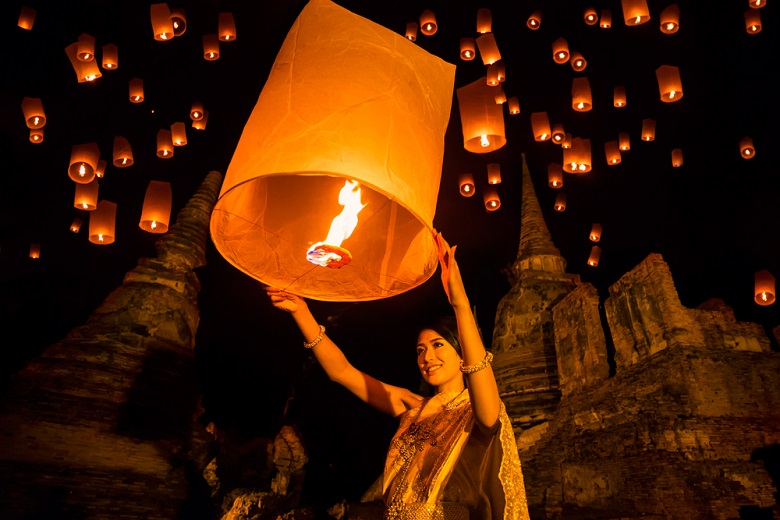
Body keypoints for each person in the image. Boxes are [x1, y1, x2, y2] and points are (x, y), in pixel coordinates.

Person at [265, 230, 529, 520]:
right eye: (420, 349)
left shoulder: (478, 414)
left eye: (438, 345)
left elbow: (479, 369)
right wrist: (301, 311)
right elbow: (341, 372)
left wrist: (460, 304)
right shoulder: (411, 407)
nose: (427, 357)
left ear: (462, 352)